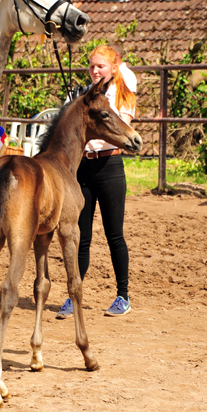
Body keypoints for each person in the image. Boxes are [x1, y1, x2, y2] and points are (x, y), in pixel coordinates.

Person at [56, 44, 137, 319]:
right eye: (91, 66)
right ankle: (72, 296)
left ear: (113, 68)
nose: (94, 71)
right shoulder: (85, 94)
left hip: (110, 166)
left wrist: (85, 120)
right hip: (84, 168)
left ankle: (123, 295)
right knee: (82, 237)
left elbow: (116, 130)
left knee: (115, 235)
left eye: (100, 66)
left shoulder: (122, 94)